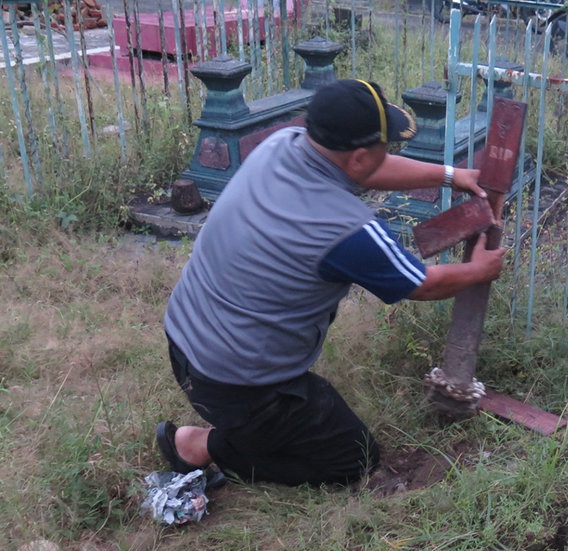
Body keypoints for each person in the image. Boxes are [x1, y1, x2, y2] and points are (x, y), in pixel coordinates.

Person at [157, 79, 506, 487]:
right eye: (386, 146)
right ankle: (200, 446)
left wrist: (451, 175)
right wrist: (478, 271)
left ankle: (242, 424)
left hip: (186, 340)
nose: (390, 153)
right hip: (236, 382)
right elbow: (422, 284)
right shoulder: (345, 228)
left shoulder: (282, 145)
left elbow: (366, 169)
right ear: (358, 156)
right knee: (352, 458)